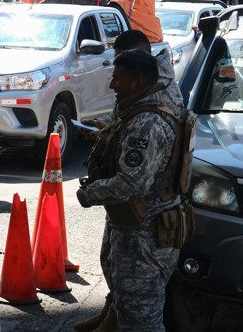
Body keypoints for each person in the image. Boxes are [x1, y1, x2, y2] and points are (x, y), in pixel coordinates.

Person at [75, 36, 192, 332]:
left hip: (145, 237)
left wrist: (88, 194)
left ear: (138, 81)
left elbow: (130, 185)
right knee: (131, 310)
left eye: (117, 79)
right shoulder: (140, 108)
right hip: (136, 229)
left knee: (142, 321)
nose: (112, 85)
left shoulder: (147, 123)